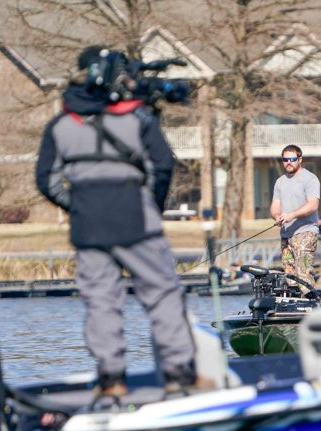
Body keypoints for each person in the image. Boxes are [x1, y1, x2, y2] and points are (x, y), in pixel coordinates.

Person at [35, 46, 201, 399]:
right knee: (161, 293)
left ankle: (111, 380)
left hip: (88, 225)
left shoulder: (60, 125)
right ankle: (179, 376)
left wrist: (78, 205)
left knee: (100, 300)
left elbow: (46, 181)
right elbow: (163, 165)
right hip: (135, 218)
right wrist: (150, 206)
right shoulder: (136, 118)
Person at [270, 144, 320, 295]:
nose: (288, 163)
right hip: (286, 234)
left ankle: (312, 302)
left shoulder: (310, 179)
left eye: (292, 159)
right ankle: (294, 303)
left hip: (306, 232)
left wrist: (291, 215)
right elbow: (275, 206)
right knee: (289, 275)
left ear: (300, 159)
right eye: (285, 160)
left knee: (303, 272)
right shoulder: (280, 182)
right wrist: (277, 216)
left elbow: (313, 205)